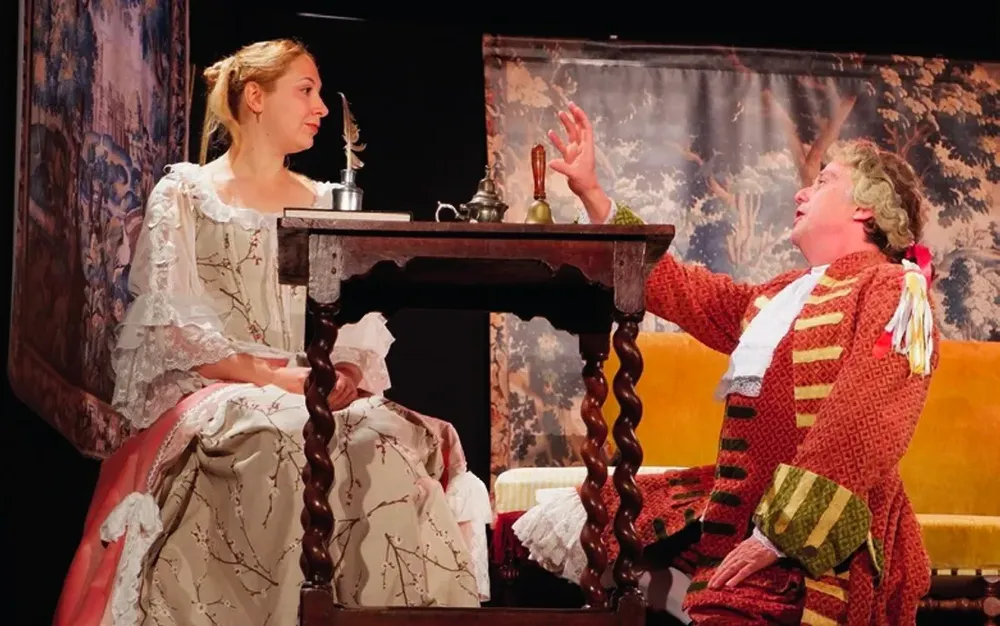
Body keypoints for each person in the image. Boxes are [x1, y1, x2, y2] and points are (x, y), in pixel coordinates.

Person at [54, 39, 491, 626]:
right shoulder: (186, 194)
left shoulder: (326, 200)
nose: (321, 107)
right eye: (305, 90)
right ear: (256, 97)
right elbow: (171, 322)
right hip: (220, 384)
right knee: (282, 437)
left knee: (386, 438)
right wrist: (271, 377)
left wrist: (348, 368)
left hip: (307, 380)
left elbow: (356, 311)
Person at [513, 103, 938, 625]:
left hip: (814, 537)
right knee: (580, 525)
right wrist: (596, 197)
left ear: (866, 210)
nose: (801, 193)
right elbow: (689, 291)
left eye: (824, 181)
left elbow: (862, 424)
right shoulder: (783, 293)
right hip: (742, 510)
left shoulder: (893, 288)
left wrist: (778, 536)